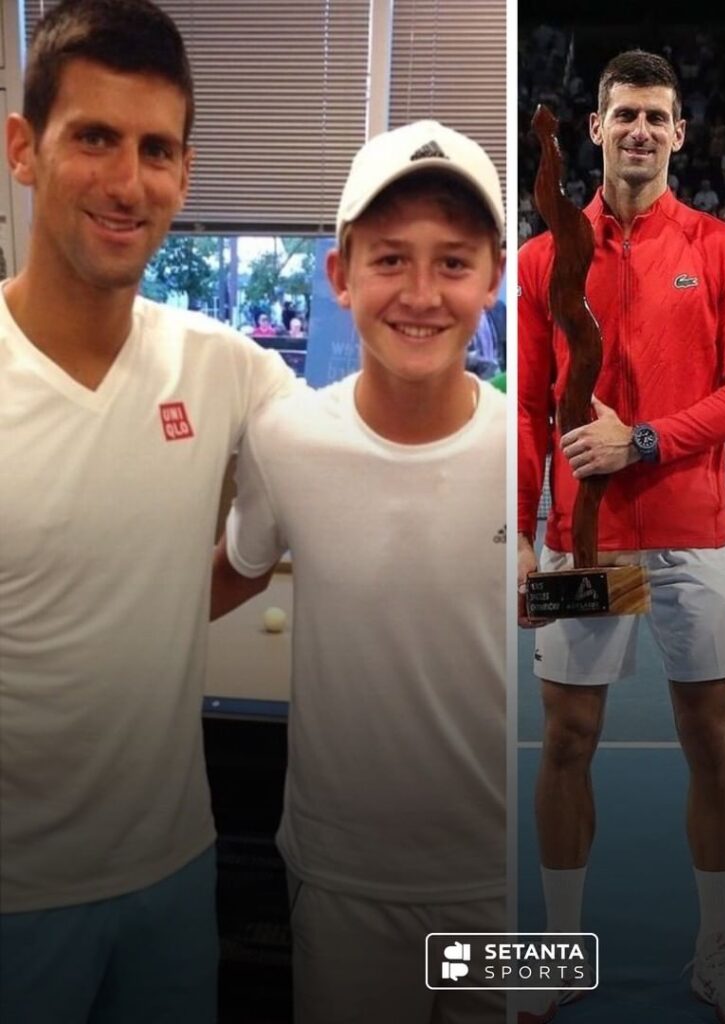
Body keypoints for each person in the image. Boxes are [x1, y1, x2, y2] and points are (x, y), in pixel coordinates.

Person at [0, 2, 294, 1022]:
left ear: (185, 169)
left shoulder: (222, 367)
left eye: (157, 149)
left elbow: (355, 466)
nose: (129, 183)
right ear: (22, 148)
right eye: (95, 138)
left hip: (176, 873)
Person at [211, 120, 507, 1024]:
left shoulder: (529, 446)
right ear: (340, 276)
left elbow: (591, 595)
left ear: (494, 275)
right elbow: (234, 571)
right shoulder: (284, 437)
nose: (420, 294)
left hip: (498, 890)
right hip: (341, 885)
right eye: (389, 260)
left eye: (453, 262)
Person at [518, 49, 725, 1024]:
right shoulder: (544, 256)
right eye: (622, 114)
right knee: (566, 739)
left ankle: (717, 947)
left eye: (655, 118)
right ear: (594, 128)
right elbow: (525, 414)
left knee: (709, 739)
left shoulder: (719, 249)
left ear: (678, 133)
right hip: (580, 544)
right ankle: (555, 953)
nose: (638, 131)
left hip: (689, 540)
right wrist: (515, 533)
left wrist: (647, 438)